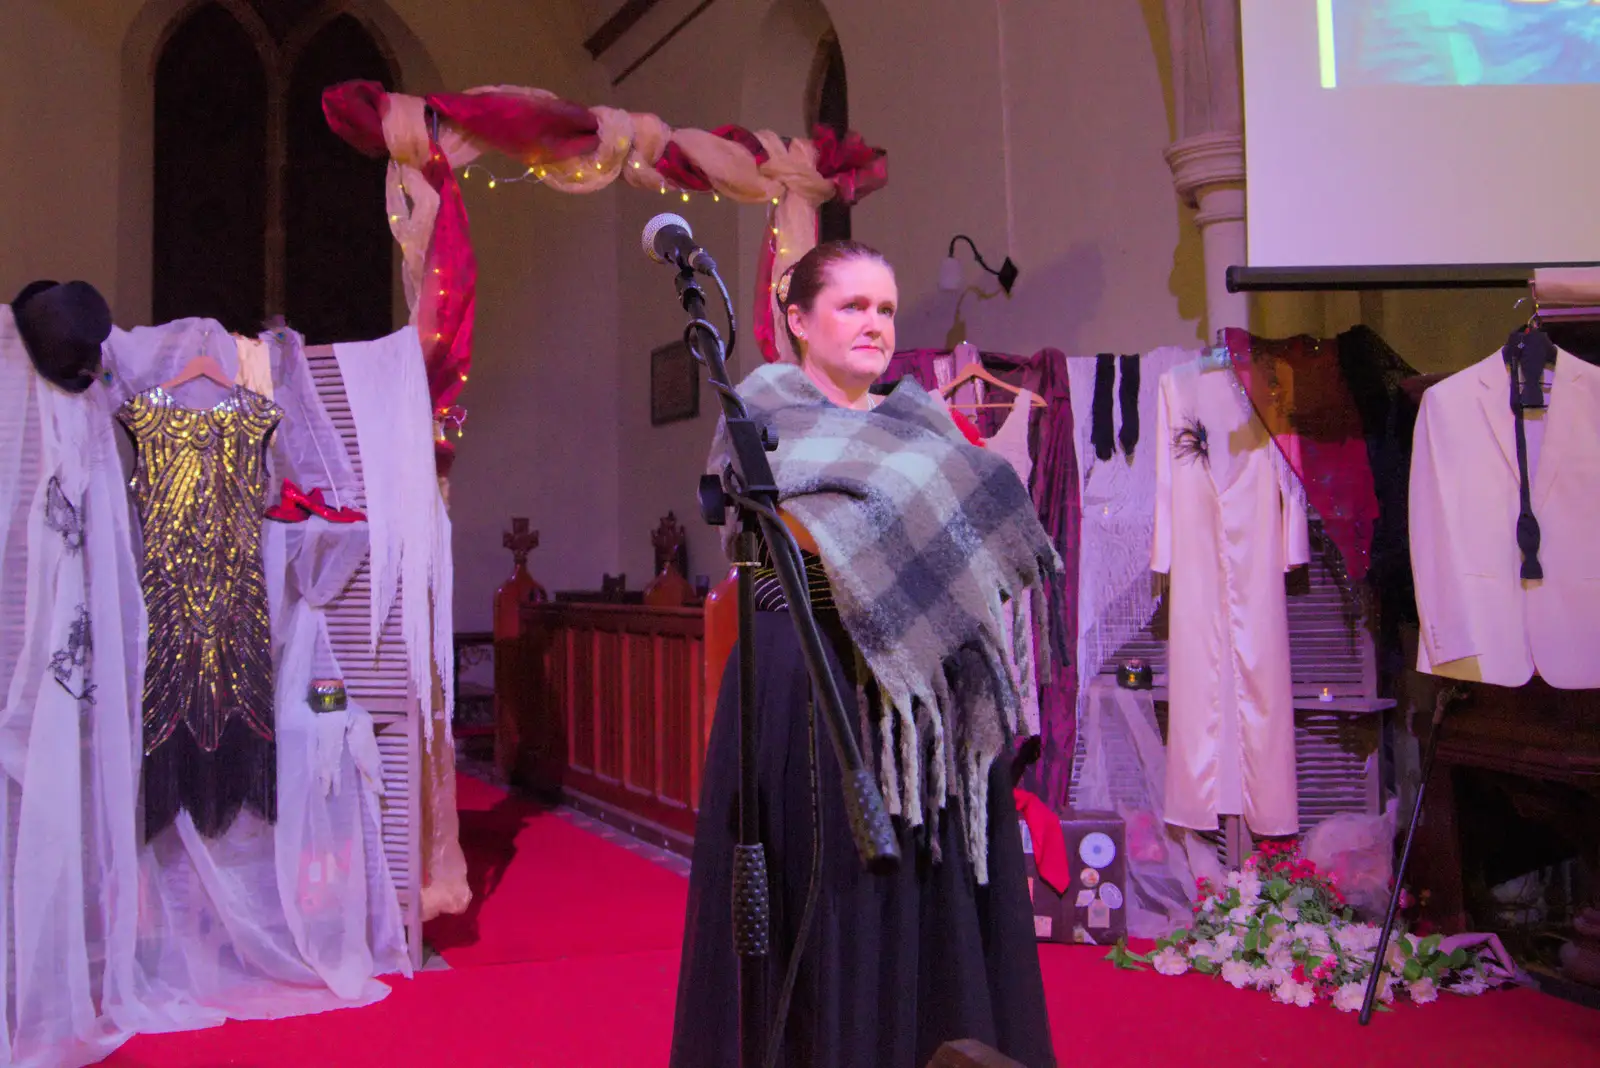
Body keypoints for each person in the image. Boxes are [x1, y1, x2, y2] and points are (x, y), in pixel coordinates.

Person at [669, 240, 1059, 1068]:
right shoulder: (760, 417)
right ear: (798, 321)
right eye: (852, 306)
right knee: (828, 895)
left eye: (885, 308)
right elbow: (797, 530)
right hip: (806, 681)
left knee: (921, 887)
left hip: (924, 701)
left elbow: (987, 519)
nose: (875, 324)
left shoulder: (920, 422)